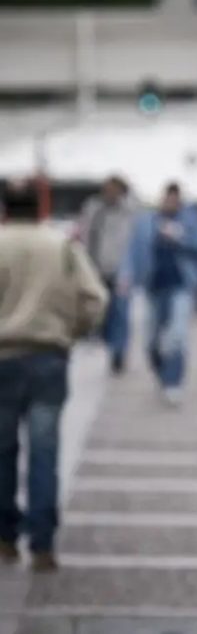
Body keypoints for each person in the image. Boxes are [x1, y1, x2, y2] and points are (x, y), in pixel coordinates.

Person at [0, 180, 107, 571]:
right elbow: (96, 299)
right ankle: (42, 541)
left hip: (3, 359)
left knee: (3, 451)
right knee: (45, 452)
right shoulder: (60, 246)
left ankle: (5, 536)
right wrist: (72, 332)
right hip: (48, 356)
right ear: (40, 207)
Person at [120, 183, 197, 406]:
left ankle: (173, 382)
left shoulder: (189, 220)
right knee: (151, 341)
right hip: (153, 287)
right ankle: (162, 373)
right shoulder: (147, 221)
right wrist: (127, 275)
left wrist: (180, 237)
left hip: (181, 285)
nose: (170, 203)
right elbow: (132, 250)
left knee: (177, 337)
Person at [78, 175, 138, 374]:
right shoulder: (93, 208)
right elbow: (85, 235)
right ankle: (102, 339)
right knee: (100, 310)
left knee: (120, 312)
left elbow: (133, 241)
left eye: (114, 190)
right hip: (95, 268)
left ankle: (118, 354)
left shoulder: (130, 212)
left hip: (120, 270)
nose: (109, 193)